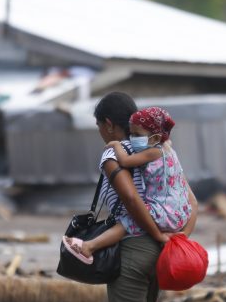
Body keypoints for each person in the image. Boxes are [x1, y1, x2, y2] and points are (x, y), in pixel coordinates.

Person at [85, 92, 199, 302]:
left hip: (135, 247)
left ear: (108, 124)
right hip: (160, 252)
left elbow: (131, 200)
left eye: (99, 125)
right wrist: (175, 239)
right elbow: (191, 202)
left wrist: (152, 232)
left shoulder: (112, 153)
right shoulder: (164, 151)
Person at [62, 106, 191, 263]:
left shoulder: (154, 152)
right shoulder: (168, 148)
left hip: (164, 211)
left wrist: (116, 145)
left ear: (156, 138)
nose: (131, 139)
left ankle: (89, 246)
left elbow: (125, 162)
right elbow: (194, 202)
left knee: (126, 222)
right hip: (179, 212)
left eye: (136, 135)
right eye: (131, 134)